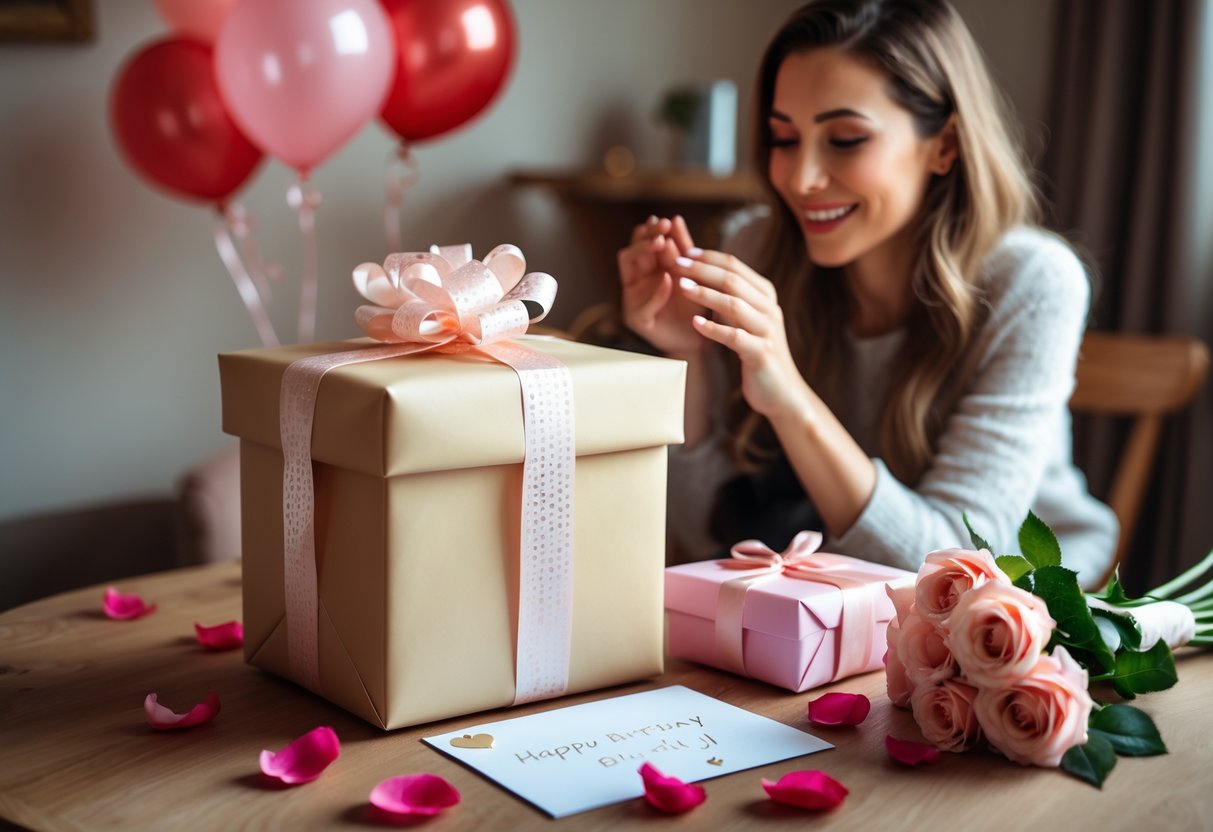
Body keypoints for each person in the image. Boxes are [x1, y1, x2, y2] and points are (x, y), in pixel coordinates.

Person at [616, 0, 1117, 587]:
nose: (801, 179)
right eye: (783, 137)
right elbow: (708, 537)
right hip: (829, 611)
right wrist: (688, 356)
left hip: (1024, 606)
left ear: (945, 145)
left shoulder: (1033, 283)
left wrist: (790, 399)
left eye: (846, 139)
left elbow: (954, 564)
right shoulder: (756, 249)